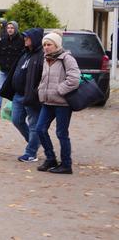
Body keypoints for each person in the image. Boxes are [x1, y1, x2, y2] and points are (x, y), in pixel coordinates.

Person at [36, 31, 80, 174]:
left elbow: (74, 80)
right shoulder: (45, 58)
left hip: (63, 103)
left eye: (49, 44)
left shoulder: (67, 58)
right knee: (40, 129)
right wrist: (41, 90)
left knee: (61, 133)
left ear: (57, 45)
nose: (46, 47)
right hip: (47, 102)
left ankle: (66, 165)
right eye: (44, 45)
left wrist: (59, 90)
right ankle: (51, 159)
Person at [0, 28, 44, 163]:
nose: (25, 39)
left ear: (34, 39)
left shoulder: (40, 55)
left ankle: (31, 152)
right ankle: (34, 142)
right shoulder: (25, 53)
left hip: (31, 96)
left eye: (27, 37)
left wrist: (36, 92)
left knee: (34, 124)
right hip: (18, 94)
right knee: (16, 120)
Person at [0, 21, 24, 117]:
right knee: (1, 88)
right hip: (4, 69)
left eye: (12, 28)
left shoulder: (21, 40)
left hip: (15, 70)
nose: (10, 29)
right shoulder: (3, 40)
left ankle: (13, 109)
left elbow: (23, 55)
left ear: (16, 29)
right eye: (8, 28)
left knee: (14, 89)